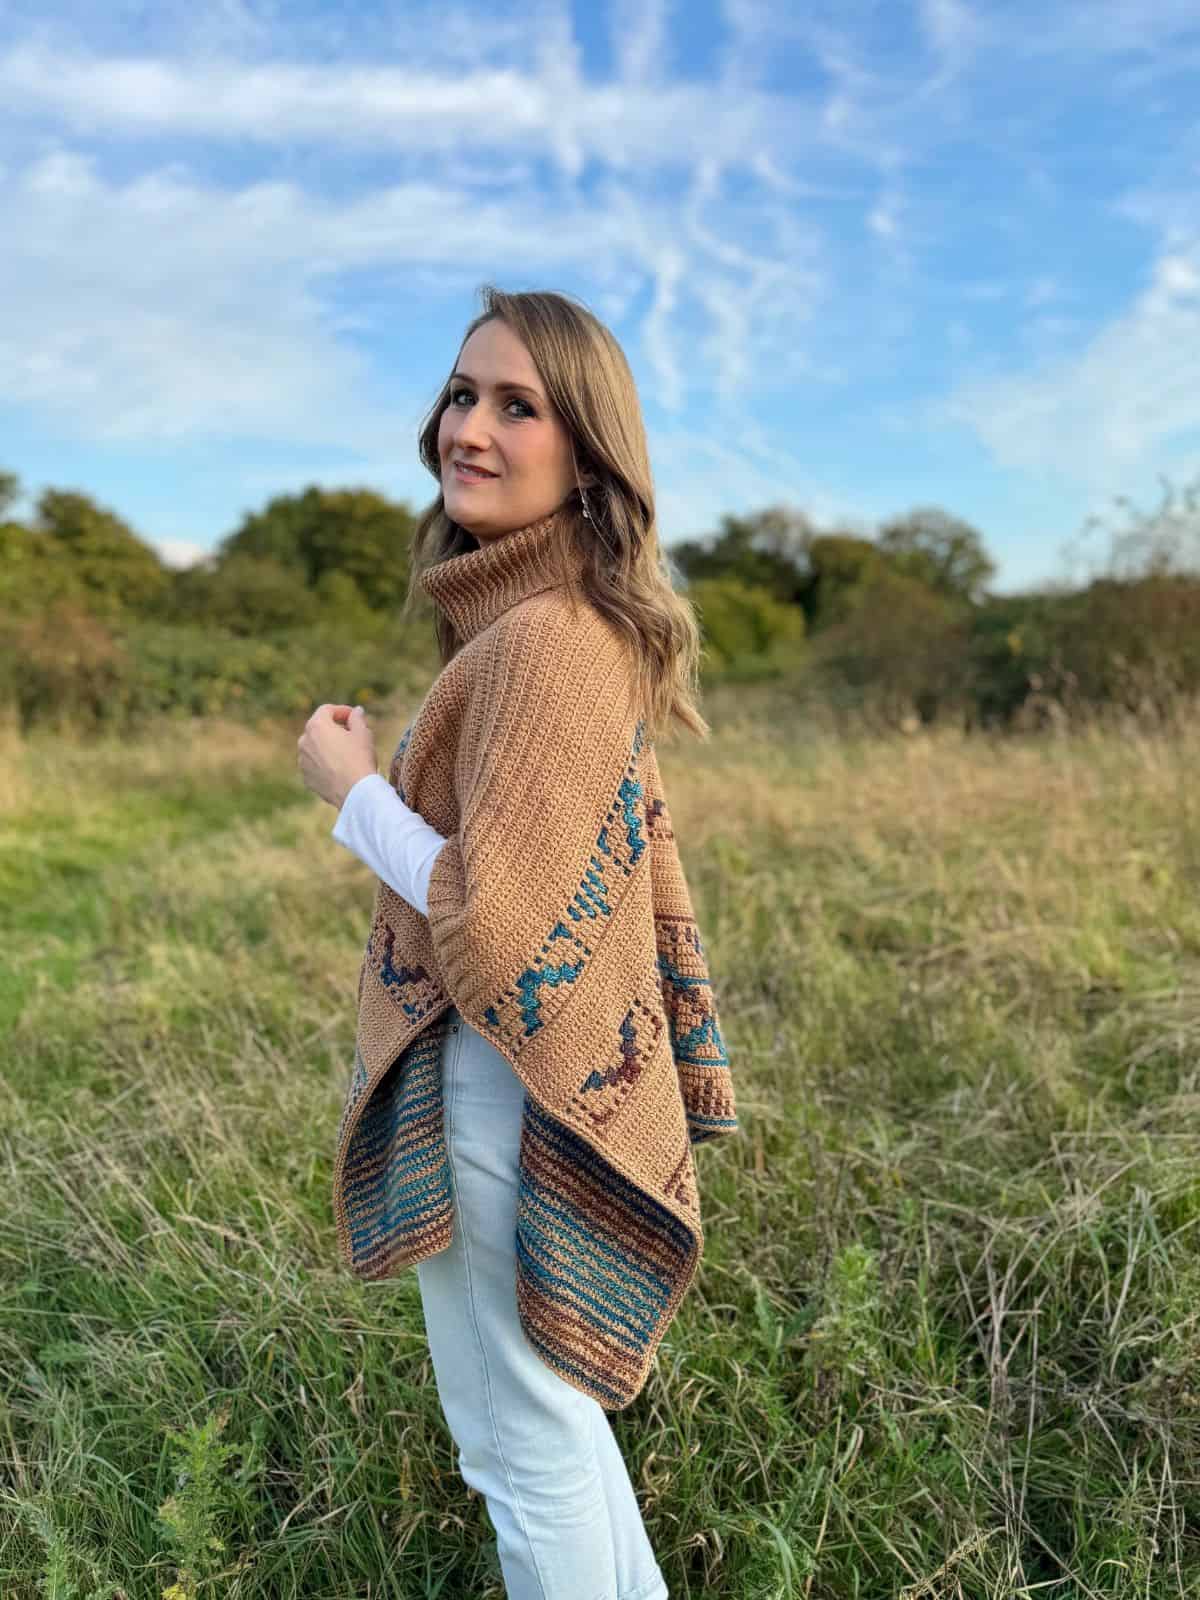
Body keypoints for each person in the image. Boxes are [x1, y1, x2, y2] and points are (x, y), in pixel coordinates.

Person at [297, 286, 737, 1600]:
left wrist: (352, 790)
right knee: (557, 1437)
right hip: (537, 1085)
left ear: (587, 452)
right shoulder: (557, 622)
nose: (467, 429)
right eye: (460, 393)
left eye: (517, 405)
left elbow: (494, 926)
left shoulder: (545, 639)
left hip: (499, 1089)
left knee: (518, 1452)